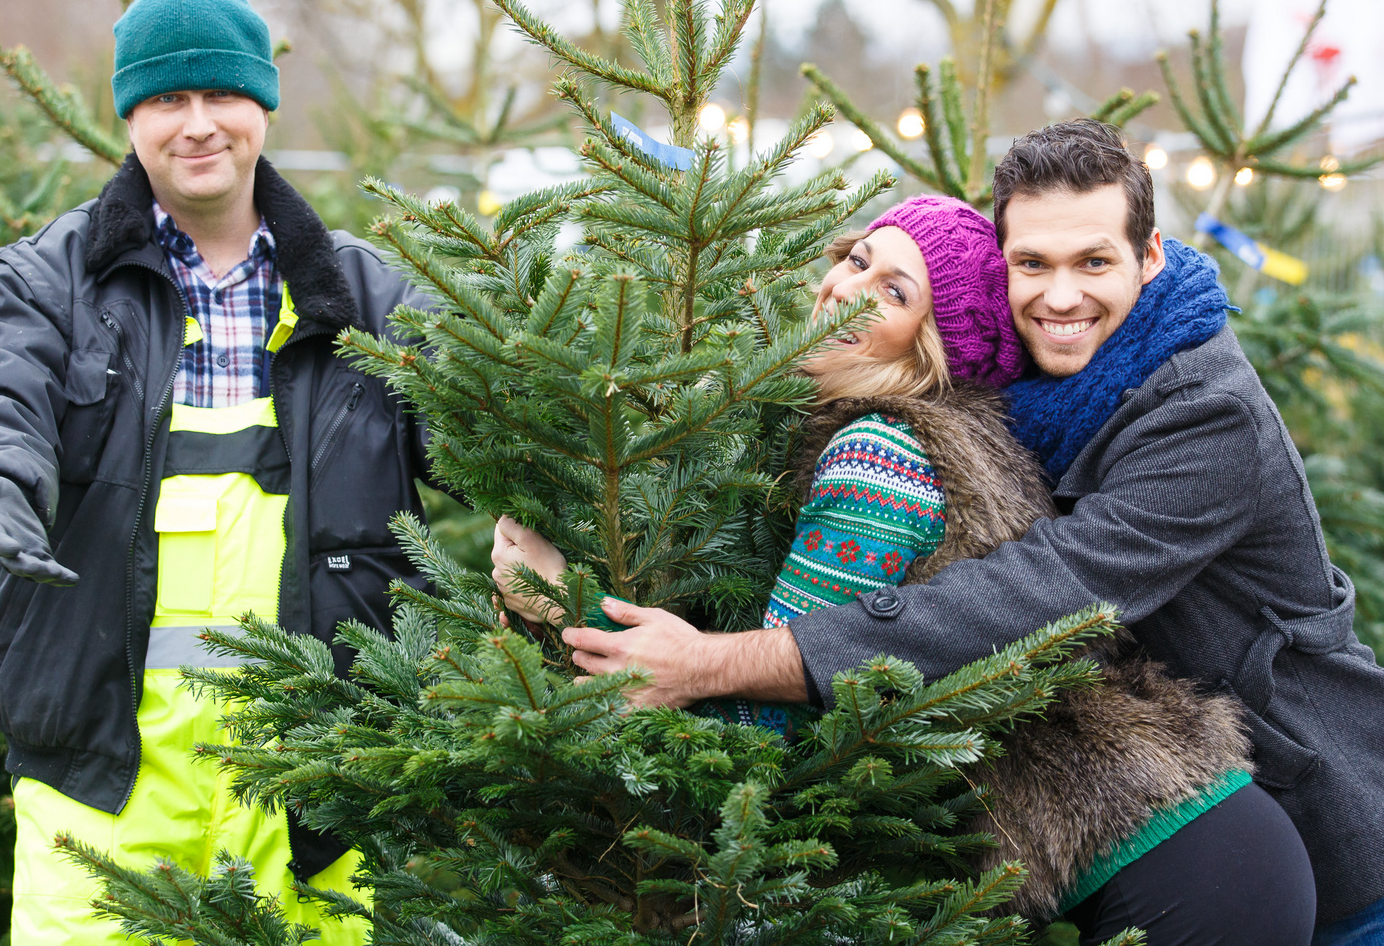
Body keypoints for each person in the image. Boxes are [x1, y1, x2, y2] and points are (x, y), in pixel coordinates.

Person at [498, 120, 1384, 942]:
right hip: (1132, 817)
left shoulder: (1204, 416)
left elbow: (1045, 592)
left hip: (1313, 818)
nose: (1061, 295)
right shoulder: (1018, 402)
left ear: (1150, 257)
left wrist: (713, 661)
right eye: (1032, 264)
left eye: (1094, 261)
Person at [0, 0, 433, 944]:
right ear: (130, 117)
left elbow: (493, 414)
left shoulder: (372, 298)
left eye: (219, 96)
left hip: (318, 786)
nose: (196, 124)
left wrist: (529, 519)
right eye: (165, 99)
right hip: (101, 782)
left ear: (261, 108)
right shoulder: (48, 281)